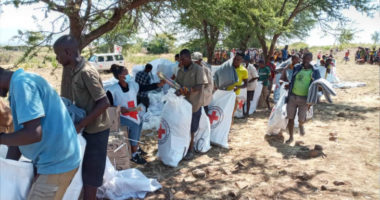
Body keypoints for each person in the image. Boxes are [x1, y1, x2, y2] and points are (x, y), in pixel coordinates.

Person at [0, 67, 80, 200]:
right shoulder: (21, 83)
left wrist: (1, 139)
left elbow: (34, 134)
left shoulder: (22, 85)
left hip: (57, 162)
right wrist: (8, 168)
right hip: (48, 160)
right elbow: (19, 135)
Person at [53, 35, 111, 200]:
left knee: (92, 173)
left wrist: (80, 126)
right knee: (85, 170)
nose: (57, 59)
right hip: (87, 128)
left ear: (68, 52)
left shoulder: (86, 71)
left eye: (58, 55)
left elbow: (104, 102)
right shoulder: (75, 70)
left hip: (96, 130)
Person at [106, 64, 149, 164]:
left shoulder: (132, 85)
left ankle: (136, 147)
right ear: (120, 76)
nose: (128, 75)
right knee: (134, 125)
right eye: (126, 73)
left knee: (140, 122)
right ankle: (134, 155)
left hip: (132, 113)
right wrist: (119, 109)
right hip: (120, 116)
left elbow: (144, 87)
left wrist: (158, 84)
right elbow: (108, 105)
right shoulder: (112, 90)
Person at [175, 49, 208, 160]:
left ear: (189, 58)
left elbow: (200, 86)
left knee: (192, 128)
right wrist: (177, 90)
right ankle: (182, 147)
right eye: (180, 59)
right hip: (183, 103)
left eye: (183, 59)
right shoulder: (180, 71)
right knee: (182, 126)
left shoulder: (198, 69)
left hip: (194, 103)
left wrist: (188, 90)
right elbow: (178, 84)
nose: (181, 61)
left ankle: (191, 149)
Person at [285, 52, 321, 144]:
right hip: (293, 96)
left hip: (304, 99)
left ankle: (301, 125)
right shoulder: (297, 67)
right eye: (305, 58)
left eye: (309, 59)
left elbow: (318, 84)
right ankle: (291, 137)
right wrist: (289, 85)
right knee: (290, 118)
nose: (306, 60)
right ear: (302, 59)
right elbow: (292, 79)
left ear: (311, 59)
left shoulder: (315, 71)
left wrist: (313, 99)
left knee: (301, 119)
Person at [226, 52, 248, 119]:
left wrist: (238, 87)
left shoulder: (244, 71)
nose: (235, 61)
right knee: (225, 112)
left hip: (235, 95)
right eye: (235, 59)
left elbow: (245, 84)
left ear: (241, 61)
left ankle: (229, 127)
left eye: (238, 60)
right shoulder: (228, 68)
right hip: (225, 94)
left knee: (232, 113)